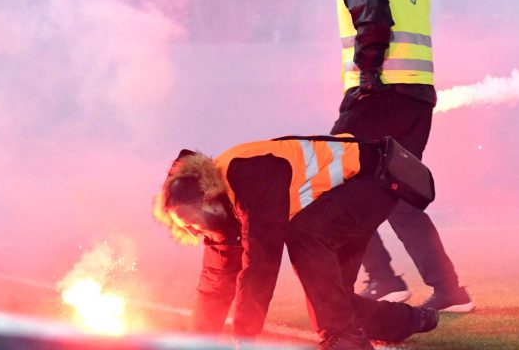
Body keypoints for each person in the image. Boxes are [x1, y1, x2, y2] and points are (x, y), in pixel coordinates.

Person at [153, 134, 439, 350]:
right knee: (331, 298)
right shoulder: (220, 216)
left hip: (373, 181)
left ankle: (342, 339)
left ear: (208, 200)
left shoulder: (246, 175)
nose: (193, 234)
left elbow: (260, 263)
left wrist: (243, 339)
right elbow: (215, 286)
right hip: (353, 195)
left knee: (304, 235)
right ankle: (415, 320)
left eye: (191, 224)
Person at [327, 0, 473, 312]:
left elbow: (371, 18)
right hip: (417, 98)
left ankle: (383, 279)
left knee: (334, 183)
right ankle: (450, 291)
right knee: (400, 194)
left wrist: (369, 75)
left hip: (379, 94)